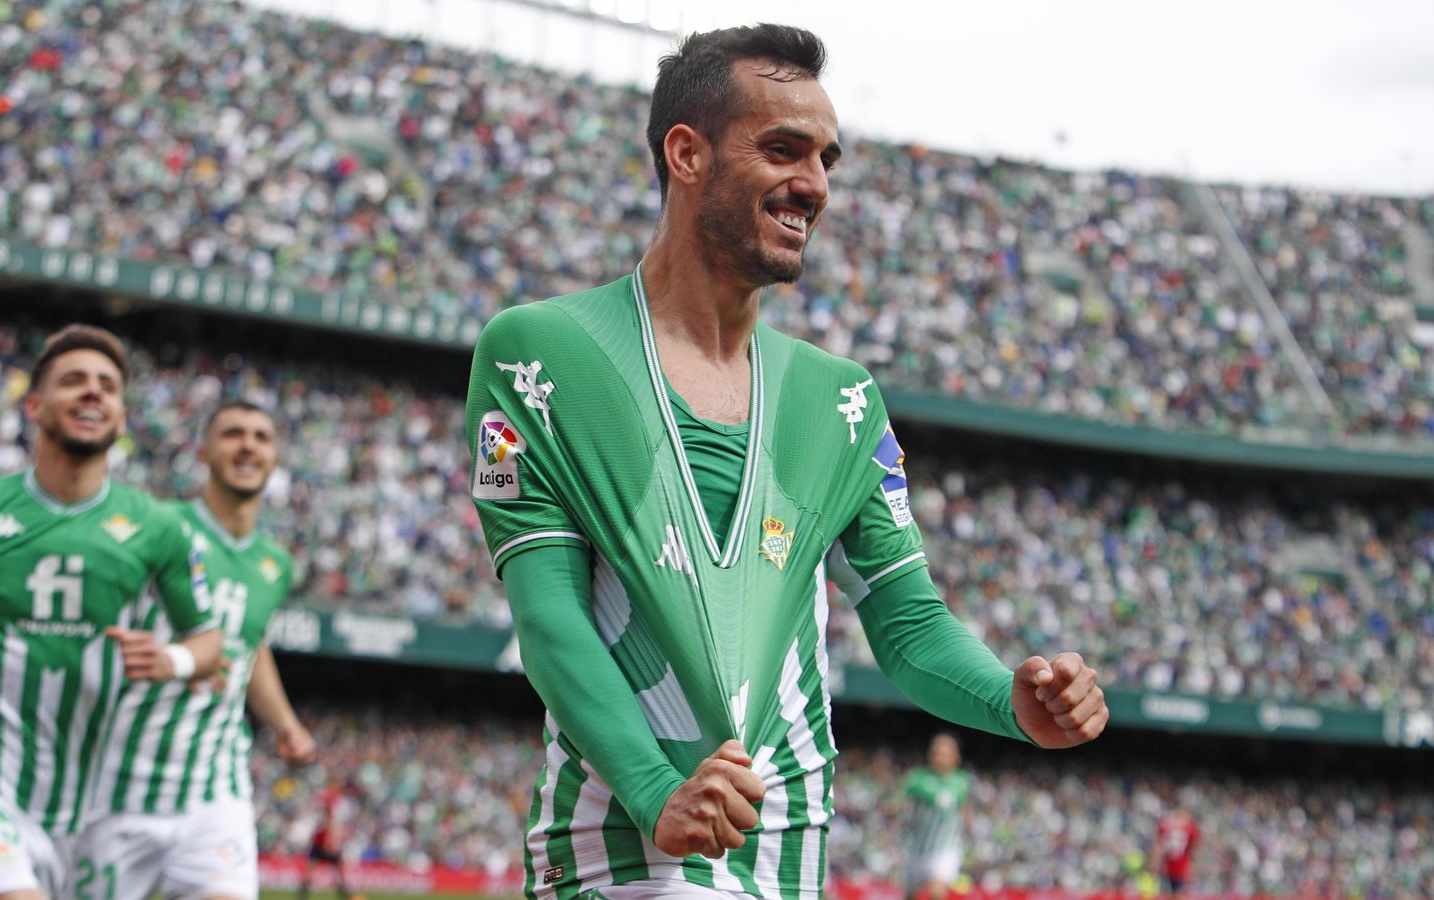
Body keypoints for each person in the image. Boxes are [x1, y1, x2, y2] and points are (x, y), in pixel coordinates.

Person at [465, 23, 1108, 899]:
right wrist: (657, 791)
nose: (813, 185)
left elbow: (910, 623)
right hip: (622, 852)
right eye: (782, 150)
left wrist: (1010, 702)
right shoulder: (540, 353)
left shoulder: (843, 402)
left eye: (826, 160)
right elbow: (549, 619)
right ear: (686, 154)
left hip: (787, 860)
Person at [0, 324, 223, 900]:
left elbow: (209, 643)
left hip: (84, 808)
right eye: (74, 381)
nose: (92, 393)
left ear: (123, 418)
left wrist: (172, 659)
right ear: (34, 406)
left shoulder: (159, 529)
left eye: (107, 386)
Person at [74, 400, 315, 900]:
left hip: (213, 792)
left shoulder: (275, 563)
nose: (248, 445)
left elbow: (252, 648)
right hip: (118, 785)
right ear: (203, 451)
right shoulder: (159, 528)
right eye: (233, 434)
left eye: (261, 437)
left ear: (274, 460)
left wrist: (286, 724)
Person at [902, 734, 972, 899]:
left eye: (945, 753)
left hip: (945, 849)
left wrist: (970, 837)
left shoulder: (961, 782)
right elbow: (902, 807)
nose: (940, 757)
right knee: (910, 895)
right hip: (917, 848)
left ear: (956, 757)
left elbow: (966, 811)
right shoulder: (917, 778)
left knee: (937, 892)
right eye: (936, 752)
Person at [300, 775, 358, 900]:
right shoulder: (334, 798)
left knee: (312, 869)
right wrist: (332, 840)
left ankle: (303, 896)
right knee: (337, 870)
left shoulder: (324, 796)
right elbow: (332, 820)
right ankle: (346, 896)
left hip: (320, 838)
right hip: (326, 839)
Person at [1151, 803, 1199, 895]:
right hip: (1179, 865)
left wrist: (1156, 863)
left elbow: (1158, 846)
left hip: (1166, 865)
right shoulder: (1190, 827)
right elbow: (1193, 850)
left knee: (1165, 892)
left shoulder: (1165, 825)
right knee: (1177, 893)